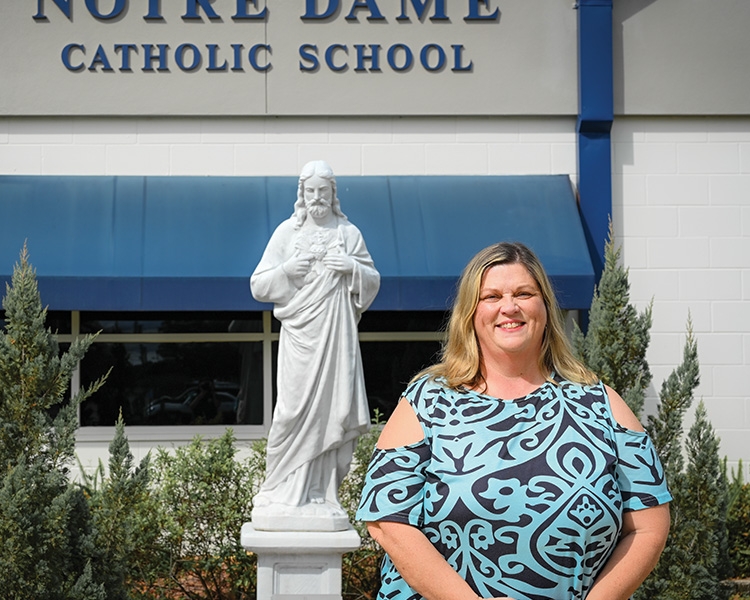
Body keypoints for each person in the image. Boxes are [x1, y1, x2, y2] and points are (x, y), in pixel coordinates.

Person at [356, 242, 671, 600]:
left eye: (524, 293)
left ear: (545, 307)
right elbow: (386, 520)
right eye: (491, 296)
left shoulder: (600, 402)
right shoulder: (428, 401)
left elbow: (649, 526)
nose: (510, 307)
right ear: (470, 313)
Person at [250, 160, 380, 529]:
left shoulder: (348, 233)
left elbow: (372, 281)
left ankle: (321, 494)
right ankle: (280, 488)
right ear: (302, 194)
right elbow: (258, 286)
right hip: (299, 340)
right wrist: (288, 271)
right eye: (311, 191)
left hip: (336, 340)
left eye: (324, 191)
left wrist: (351, 269)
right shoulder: (285, 234)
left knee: (329, 411)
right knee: (290, 412)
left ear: (333, 194)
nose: (317, 198)